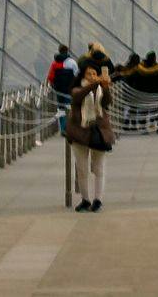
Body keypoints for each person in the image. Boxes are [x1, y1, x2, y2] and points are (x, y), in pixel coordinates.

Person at [64, 58, 114, 213]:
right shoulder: (77, 89)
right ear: (82, 76)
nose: (92, 76)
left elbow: (107, 102)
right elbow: (78, 97)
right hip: (80, 132)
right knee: (82, 168)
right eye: (89, 74)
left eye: (95, 73)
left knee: (99, 167)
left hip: (99, 131)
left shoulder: (100, 88)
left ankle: (98, 199)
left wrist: (105, 87)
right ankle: (85, 199)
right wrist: (96, 83)